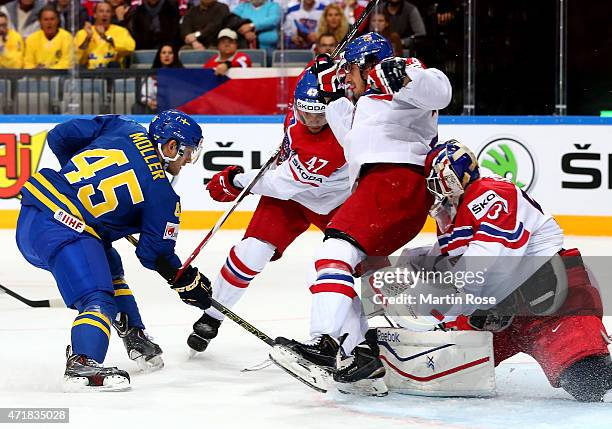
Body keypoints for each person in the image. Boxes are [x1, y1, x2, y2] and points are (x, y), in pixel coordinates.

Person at [270, 32, 451, 395]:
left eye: (351, 69)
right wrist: (331, 93)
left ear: (368, 64)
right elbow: (351, 139)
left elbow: (441, 91)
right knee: (347, 267)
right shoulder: (367, 104)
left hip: (395, 182)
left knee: (333, 253)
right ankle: (362, 355)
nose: (347, 76)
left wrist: (403, 72)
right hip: (380, 188)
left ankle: (325, 344)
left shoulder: (402, 79)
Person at [389, 139, 612, 402]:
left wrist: (437, 302)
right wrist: (411, 266)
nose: (435, 193)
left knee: (591, 381)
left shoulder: (489, 192)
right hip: (494, 320)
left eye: (440, 183)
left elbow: (490, 261)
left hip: (552, 307)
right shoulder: (453, 215)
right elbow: (454, 261)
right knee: (440, 372)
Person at [15, 110, 212, 391]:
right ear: (171, 146)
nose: (188, 161)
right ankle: (83, 362)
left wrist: (79, 188)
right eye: (187, 153)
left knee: (110, 267)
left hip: (34, 213)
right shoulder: (163, 195)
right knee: (97, 298)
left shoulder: (122, 126)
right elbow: (154, 253)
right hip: (66, 229)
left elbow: (59, 136)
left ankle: (133, 332)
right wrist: (186, 281)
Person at [186, 70, 351, 354]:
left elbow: (280, 185)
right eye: (306, 113)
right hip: (291, 198)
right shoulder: (306, 88)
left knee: (355, 265)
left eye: (320, 115)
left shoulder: (334, 138)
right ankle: (213, 315)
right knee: (250, 251)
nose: (312, 122)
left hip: (334, 200)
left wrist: (236, 181)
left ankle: (363, 336)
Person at [75, 1, 136, 68]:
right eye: (101, 11)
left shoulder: (121, 31)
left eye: (108, 11)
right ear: (95, 14)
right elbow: (76, 59)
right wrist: (87, 39)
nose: (105, 14)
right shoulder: (84, 32)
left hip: (113, 73)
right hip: (90, 74)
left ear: (111, 14)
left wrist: (106, 37)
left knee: (114, 65)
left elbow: (130, 48)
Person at [140, 44, 183, 112]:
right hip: (155, 108)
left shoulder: (182, 75)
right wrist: (150, 102)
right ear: (159, 56)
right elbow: (144, 95)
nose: (167, 55)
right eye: (164, 53)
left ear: (174, 56)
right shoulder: (151, 76)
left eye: (170, 53)